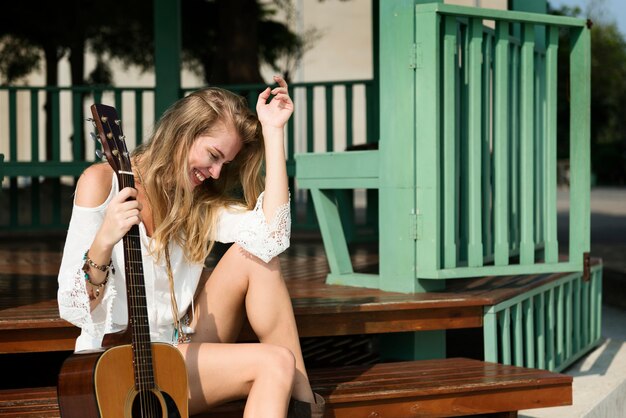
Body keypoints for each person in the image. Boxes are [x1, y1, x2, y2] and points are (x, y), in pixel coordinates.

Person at [57, 75, 324, 417]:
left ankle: (304, 404)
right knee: (275, 362)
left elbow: (272, 237)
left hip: (176, 351)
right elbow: (73, 308)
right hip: (113, 364)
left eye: (224, 164)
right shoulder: (102, 183)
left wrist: (273, 132)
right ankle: (307, 407)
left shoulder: (198, 202)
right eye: (213, 155)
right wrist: (105, 239)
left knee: (259, 258)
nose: (215, 173)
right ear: (183, 133)